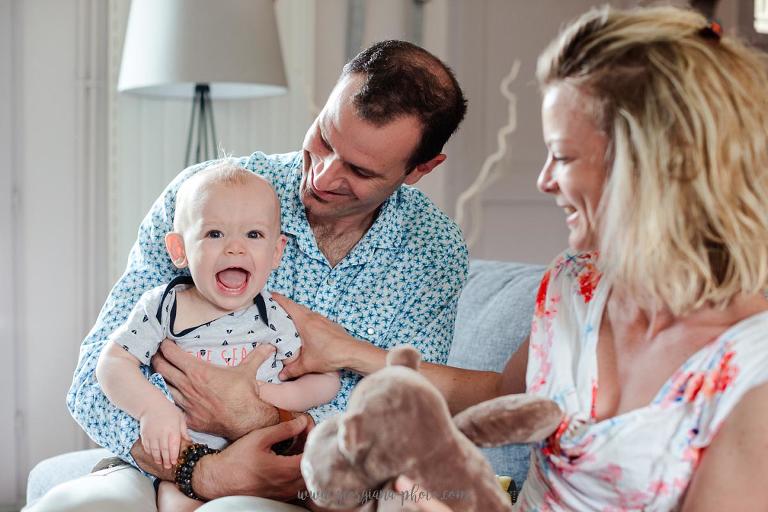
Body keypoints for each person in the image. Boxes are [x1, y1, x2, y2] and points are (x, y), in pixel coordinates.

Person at [332, 5, 768, 511]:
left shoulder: (751, 371)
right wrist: (347, 351)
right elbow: (498, 391)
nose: (544, 181)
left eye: (561, 156)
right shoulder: (574, 286)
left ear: (648, 167)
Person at [28, 40, 468, 512]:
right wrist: (200, 468)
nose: (321, 175)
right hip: (161, 462)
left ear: (421, 169)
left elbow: (396, 422)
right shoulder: (207, 196)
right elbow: (93, 377)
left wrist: (259, 419)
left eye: (358, 170)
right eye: (323, 138)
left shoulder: (432, 252)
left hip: (303, 488)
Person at [95, 163, 341, 511]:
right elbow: (112, 363)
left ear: (275, 252)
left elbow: (326, 382)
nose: (235, 249)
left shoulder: (273, 316)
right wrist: (153, 409)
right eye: (214, 234)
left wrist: (273, 395)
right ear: (179, 249)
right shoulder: (165, 306)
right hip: (185, 462)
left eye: (253, 235)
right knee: (174, 503)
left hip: (261, 463)